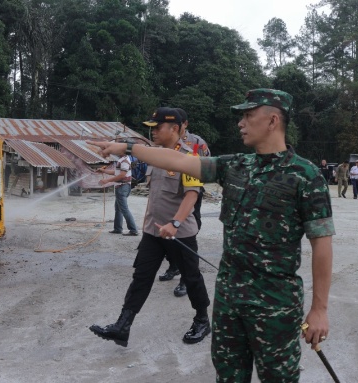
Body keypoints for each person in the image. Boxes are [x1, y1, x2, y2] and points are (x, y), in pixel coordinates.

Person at [89, 89, 334, 381]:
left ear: (272, 120)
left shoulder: (305, 175)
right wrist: (127, 148)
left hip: (275, 305)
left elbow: (322, 244)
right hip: (230, 301)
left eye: (247, 116)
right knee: (228, 376)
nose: (240, 123)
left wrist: (319, 309)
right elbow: (176, 160)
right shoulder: (235, 166)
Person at [89, 107, 211, 347]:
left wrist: (175, 223)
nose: (152, 132)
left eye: (157, 128)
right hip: (153, 232)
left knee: (192, 277)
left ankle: (202, 320)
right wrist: (108, 168)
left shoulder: (191, 157)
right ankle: (122, 326)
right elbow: (135, 174)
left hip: (180, 233)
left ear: (174, 128)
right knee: (141, 277)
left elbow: (192, 197)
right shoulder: (154, 156)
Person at [156, 107, 211, 298]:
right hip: (168, 194)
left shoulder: (196, 143)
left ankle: (185, 279)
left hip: (190, 191)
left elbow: (203, 165)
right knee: (165, 233)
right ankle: (173, 267)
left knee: (185, 234)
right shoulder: (162, 143)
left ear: (183, 125)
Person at [97, 144, 138, 236]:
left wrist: (107, 180)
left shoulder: (124, 161)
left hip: (122, 187)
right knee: (118, 209)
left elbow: (122, 175)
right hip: (121, 187)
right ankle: (117, 228)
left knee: (124, 209)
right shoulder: (122, 160)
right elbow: (116, 172)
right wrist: (103, 171)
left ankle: (133, 230)